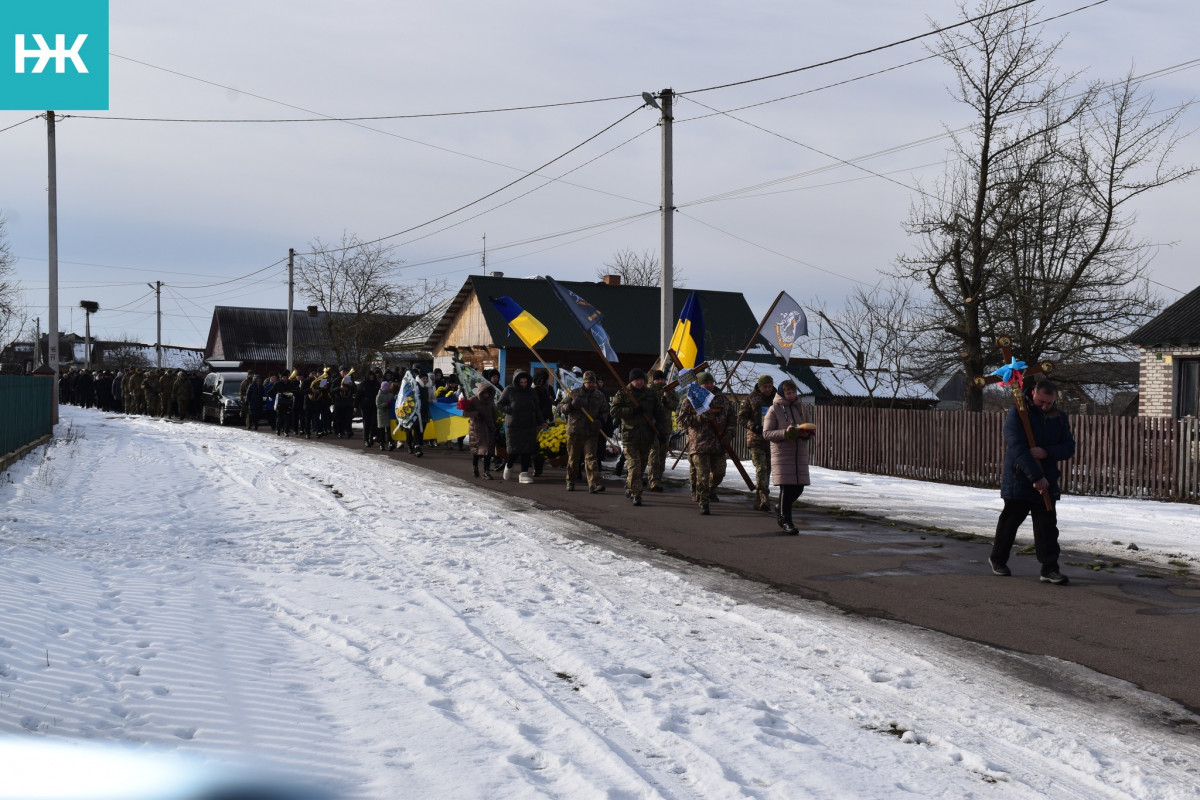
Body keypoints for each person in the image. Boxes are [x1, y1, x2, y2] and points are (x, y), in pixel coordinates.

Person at [989, 380, 1076, 585]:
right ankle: (998, 559)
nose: (1045, 406)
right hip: (1020, 477)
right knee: (1010, 523)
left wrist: (1046, 452)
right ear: (1033, 394)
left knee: (1047, 527)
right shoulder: (1018, 414)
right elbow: (1017, 447)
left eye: (1050, 403)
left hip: (1048, 479)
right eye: (1041, 402)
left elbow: (1068, 447)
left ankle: (1049, 568)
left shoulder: (1058, 417)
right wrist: (1035, 477)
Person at [676, 371, 737, 515]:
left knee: (719, 472)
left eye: (711, 383)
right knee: (702, 475)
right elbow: (681, 420)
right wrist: (698, 419)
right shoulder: (691, 399)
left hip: (718, 443)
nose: (709, 385)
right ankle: (703, 502)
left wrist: (729, 434)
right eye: (706, 383)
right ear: (700, 385)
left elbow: (732, 418)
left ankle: (707, 491)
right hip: (700, 443)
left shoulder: (722, 399)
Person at [609, 367, 669, 507]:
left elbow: (660, 414)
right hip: (630, 436)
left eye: (642, 379)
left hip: (647, 436)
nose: (640, 382)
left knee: (641, 466)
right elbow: (614, 411)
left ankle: (630, 487)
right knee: (634, 466)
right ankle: (637, 494)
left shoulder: (651, 394)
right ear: (631, 381)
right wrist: (632, 411)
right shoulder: (623, 393)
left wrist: (661, 432)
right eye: (637, 380)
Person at [762, 379, 814, 534]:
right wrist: (786, 432)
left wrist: (806, 433)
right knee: (787, 487)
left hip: (799, 454)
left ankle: (781, 507)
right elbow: (766, 433)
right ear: (781, 393)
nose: (791, 395)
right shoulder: (774, 409)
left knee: (799, 487)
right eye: (788, 393)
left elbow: (809, 426)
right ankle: (786, 521)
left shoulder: (802, 408)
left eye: (793, 392)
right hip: (783, 453)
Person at [558, 370, 609, 493]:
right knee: (573, 458)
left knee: (591, 457)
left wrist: (600, 420)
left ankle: (594, 483)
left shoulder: (599, 395)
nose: (591, 384)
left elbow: (605, 411)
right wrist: (571, 405)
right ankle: (570, 481)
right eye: (589, 382)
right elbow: (561, 408)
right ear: (584, 382)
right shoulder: (575, 393)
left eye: (593, 382)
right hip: (575, 431)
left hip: (591, 432)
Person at [496, 370, 544, 483]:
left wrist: (541, 421)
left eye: (525, 382)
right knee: (514, 451)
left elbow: (536, 408)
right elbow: (499, 404)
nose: (523, 384)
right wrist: (510, 410)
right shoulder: (509, 390)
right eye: (521, 382)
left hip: (529, 424)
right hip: (514, 425)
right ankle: (509, 464)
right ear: (517, 381)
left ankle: (524, 474)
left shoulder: (531, 392)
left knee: (527, 450)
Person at [739, 374, 777, 513]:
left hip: (772, 439)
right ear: (759, 386)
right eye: (764, 386)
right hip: (756, 439)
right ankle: (764, 497)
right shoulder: (750, 399)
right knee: (761, 467)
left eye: (769, 386)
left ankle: (758, 499)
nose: (767, 389)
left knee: (768, 469)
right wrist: (753, 426)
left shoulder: (777, 399)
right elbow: (741, 417)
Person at [647, 369, 679, 492]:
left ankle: (658, 477)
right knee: (654, 454)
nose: (660, 381)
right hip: (653, 427)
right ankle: (653, 480)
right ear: (653, 380)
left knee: (662, 454)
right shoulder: (649, 391)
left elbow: (676, 404)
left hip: (665, 427)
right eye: (658, 379)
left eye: (662, 379)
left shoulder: (669, 390)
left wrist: (667, 401)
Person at [461, 381, 498, 479]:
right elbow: (465, 413)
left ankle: (486, 471)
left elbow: (492, 414)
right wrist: (476, 414)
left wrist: (494, 426)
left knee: (487, 451)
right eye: (484, 392)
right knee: (476, 451)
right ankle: (475, 467)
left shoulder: (490, 401)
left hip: (488, 429)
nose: (486, 395)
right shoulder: (473, 400)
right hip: (477, 429)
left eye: (488, 393)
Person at [375, 380, 399, 451]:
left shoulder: (390, 394)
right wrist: (386, 403)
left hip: (389, 415)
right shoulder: (379, 395)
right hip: (381, 415)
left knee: (389, 430)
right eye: (384, 387)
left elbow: (393, 401)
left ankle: (390, 442)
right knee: (382, 431)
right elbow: (378, 405)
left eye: (387, 387)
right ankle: (381, 444)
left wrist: (395, 398)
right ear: (382, 387)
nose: (386, 388)